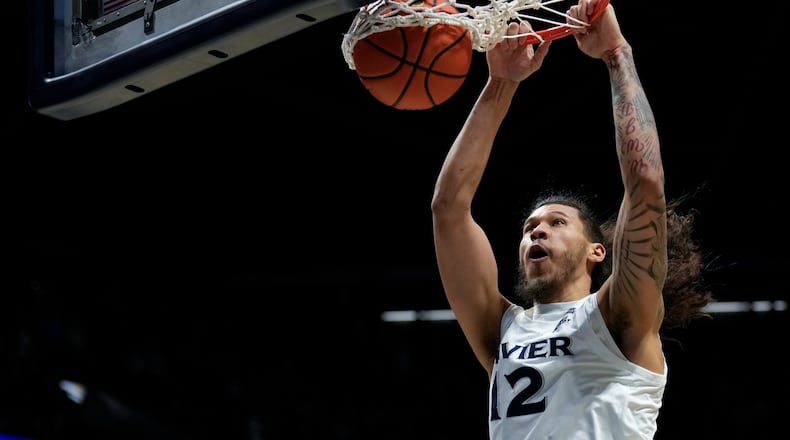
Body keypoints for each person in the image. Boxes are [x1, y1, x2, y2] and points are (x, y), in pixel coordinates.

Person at [430, 0, 714, 438]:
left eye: (557, 223)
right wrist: (500, 83)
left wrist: (617, 54)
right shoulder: (500, 328)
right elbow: (448, 209)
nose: (536, 230)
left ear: (596, 251)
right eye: (528, 228)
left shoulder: (618, 314)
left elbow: (645, 186)